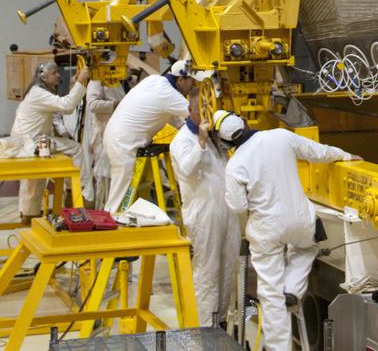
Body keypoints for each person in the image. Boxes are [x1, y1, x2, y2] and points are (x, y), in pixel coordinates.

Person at [219, 112, 358, 351]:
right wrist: (346, 156)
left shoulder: (235, 164)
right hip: (301, 221)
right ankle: (293, 288)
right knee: (306, 248)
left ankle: (278, 348)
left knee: (271, 293)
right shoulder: (281, 136)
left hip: (266, 229)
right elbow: (318, 152)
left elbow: (238, 206)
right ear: (246, 122)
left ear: (227, 144)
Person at [170, 90, 239, 328]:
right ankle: (204, 328)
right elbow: (188, 170)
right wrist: (200, 141)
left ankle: (220, 324)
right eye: (202, 109)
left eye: (210, 107)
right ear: (190, 111)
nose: (207, 113)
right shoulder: (182, 140)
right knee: (207, 272)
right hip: (203, 213)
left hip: (226, 209)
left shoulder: (214, 137)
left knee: (228, 268)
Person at [102, 59, 207, 212]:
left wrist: (185, 127)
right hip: (123, 142)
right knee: (120, 193)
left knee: (122, 189)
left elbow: (171, 115)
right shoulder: (169, 95)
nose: (194, 86)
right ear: (180, 80)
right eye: (192, 82)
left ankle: (118, 224)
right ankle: (110, 227)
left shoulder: (154, 80)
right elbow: (198, 115)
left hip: (115, 135)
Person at [10, 61, 90, 219]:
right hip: (31, 143)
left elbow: (55, 112)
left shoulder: (35, 92)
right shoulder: (39, 94)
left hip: (27, 141)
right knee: (75, 149)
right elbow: (67, 106)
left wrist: (75, 84)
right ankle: (76, 194)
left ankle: (28, 214)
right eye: (55, 73)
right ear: (43, 76)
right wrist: (81, 81)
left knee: (34, 180)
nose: (59, 76)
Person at [83, 73, 130, 207]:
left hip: (120, 135)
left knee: (117, 176)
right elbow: (92, 104)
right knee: (104, 178)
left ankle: (114, 210)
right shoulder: (96, 80)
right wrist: (114, 104)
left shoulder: (121, 80)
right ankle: (103, 211)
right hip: (104, 135)